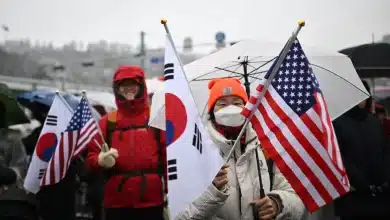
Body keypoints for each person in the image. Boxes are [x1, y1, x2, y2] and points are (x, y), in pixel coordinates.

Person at [176, 78, 305, 220]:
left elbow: (298, 198)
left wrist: (278, 203)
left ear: (246, 107)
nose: (230, 109)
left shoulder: (265, 145)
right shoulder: (197, 150)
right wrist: (213, 191)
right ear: (212, 111)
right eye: (222, 104)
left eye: (237, 103)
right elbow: (181, 216)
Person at [86, 65, 168, 220]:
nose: (128, 89)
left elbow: (167, 156)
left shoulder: (156, 117)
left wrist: (172, 192)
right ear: (117, 89)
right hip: (117, 202)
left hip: (151, 201)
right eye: (123, 85)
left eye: (133, 84)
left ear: (141, 86)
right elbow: (90, 158)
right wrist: (100, 160)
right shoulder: (107, 122)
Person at [333, 80, 390, 219]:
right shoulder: (338, 123)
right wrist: (359, 180)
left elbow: (383, 151)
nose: (362, 100)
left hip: (379, 196)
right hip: (353, 197)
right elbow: (339, 157)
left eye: (364, 95)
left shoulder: (374, 122)